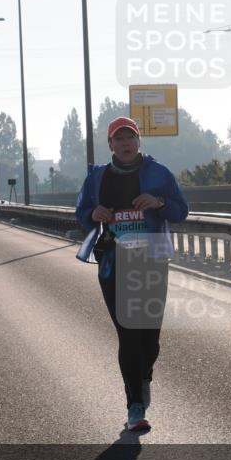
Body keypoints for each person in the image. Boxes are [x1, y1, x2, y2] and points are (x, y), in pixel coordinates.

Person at [75, 117, 188, 432]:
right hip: (113, 262)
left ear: (139, 142)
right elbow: (82, 213)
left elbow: (181, 210)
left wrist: (159, 202)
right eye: (119, 139)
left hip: (151, 261)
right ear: (110, 145)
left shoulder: (159, 174)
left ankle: (143, 375)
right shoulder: (97, 178)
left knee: (150, 336)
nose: (125, 144)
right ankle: (135, 407)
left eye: (131, 138)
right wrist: (92, 214)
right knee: (128, 331)